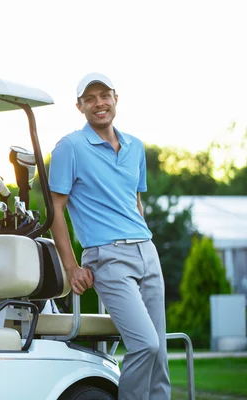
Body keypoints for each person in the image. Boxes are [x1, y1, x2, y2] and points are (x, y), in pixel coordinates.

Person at [48, 72, 171, 400]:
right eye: (90, 99)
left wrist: (146, 242)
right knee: (146, 344)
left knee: (160, 356)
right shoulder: (69, 147)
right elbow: (54, 211)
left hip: (146, 251)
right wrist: (72, 266)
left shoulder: (136, 147)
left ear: (116, 98)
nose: (99, 103)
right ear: (80, 106)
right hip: (108, 257)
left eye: (104, 95)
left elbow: (135, 202)